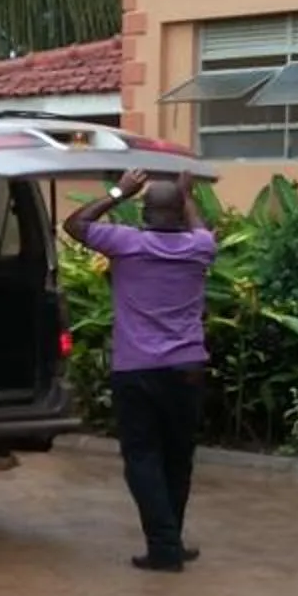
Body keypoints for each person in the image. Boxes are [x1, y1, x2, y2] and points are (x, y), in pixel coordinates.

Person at [65, 169, 214, 573]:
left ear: (144, 212)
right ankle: (170, 541)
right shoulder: (200, 246)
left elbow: (74, 224)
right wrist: (186, 194)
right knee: (177, 458)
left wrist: (119, 191)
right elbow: (200, 226)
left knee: (143, 458)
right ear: (180, 212)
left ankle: (164, 547)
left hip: (137, 369)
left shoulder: (126, 243)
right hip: (187, 368)